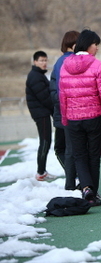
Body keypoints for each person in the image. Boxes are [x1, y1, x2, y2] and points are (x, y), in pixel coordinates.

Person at [59, 29, 101, 206]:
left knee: (79, 155)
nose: (97, 48)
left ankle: (86, 188)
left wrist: (64, 119)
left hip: (73, 119)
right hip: (94, 117)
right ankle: (94, 192)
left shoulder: (65, 65)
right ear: (88, 45)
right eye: (96, 44)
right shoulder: (97, 65)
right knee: (94, 155)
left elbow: (62, 97)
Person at [49, 31, 80, 188]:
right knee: (71, 148)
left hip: (60, 110)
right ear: (74, 44)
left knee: (63, 148)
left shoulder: (59, 62)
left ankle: (72, 179)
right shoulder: (71, 60)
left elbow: (54, 88)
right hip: (69, 111)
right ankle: (74, 179)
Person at [26, 50, 55, 181]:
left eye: (45, 60)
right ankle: (41, 171)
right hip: (41, 113)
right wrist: (55, 109)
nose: (44, 63)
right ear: (35, 62)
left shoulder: (39, 75)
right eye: (41, 61)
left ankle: (42, 170)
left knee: (46, 141)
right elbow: (44, 97)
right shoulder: (35, 76)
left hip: (42, 112)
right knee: (45, 141)